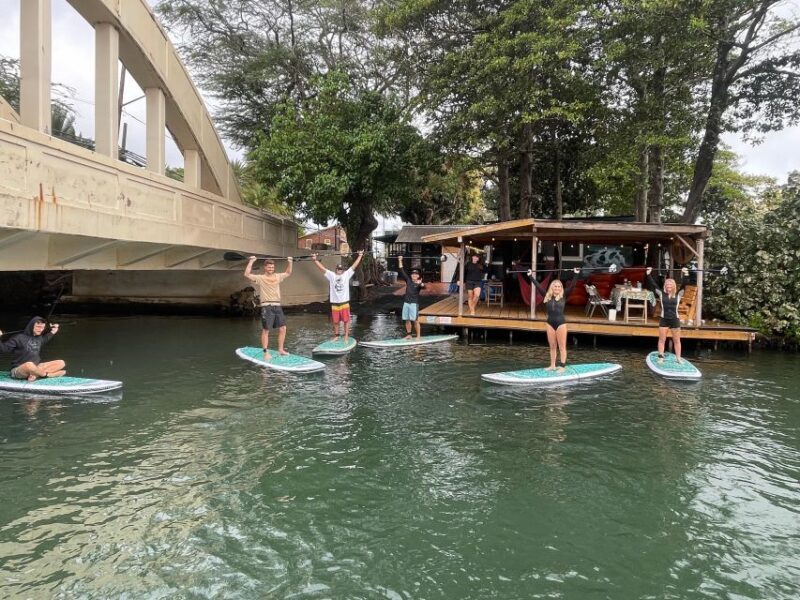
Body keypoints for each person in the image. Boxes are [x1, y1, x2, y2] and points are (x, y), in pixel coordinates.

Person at [530, 268, 581, 371]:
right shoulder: (547, 296)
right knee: (552, 346)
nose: (557, 288)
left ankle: (562, 366)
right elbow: (538, 286)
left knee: (562, 346)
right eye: (555, 286)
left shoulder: (564, 295)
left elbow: (572, 286)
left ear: (561, 288)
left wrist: (576, 274)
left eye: (559, 286)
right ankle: (552, 365)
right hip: (549, 323)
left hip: (561, 323)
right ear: (552, 287)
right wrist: (530, 275)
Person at [245, 255, 293, 358]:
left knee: (283, 328)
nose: (271, 269)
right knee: (266, 330)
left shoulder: (278, 276)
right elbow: (247, 274)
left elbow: (288, 272)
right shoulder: (260, 278)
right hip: (267, 306)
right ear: (265, 268)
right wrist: (251, 261)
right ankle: (265, 352)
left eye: (272, 267)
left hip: (277, 305)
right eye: (269, 267)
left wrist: (290, 262)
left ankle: (280, 350)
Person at [311, 250, 364, 342]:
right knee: (335, 321)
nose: (339, 270)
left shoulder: (346, 275)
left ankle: (346, 336)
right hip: (335, 303)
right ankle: (336, 335)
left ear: (343, 270)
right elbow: (322, 269)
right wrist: (315, 260)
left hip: (344, 303)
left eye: (341, 269)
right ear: (336, 270)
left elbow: (354, 265)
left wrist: (360, 255)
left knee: (346, 320)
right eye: (338, 269)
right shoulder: (331, 275)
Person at [0, 316, 65, 381]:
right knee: (29, 364)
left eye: (42, 327)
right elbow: (4, 349)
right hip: (19, 370)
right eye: (38, 327)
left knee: (61, 363)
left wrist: (54, 327)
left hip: (36, 367)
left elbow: (51, 333)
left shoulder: (40, 338)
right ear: (31, 326)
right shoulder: (18, 337)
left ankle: (34, 375)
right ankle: (47, 375)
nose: (41, 329)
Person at [647, 266, 690, 363]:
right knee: (662, 340)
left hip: (675, 320)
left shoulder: (679, 294)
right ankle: (661, 357)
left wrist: (686, 273)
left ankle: (678, 358)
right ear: (665, 286)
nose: (669, 286)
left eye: (670, 285)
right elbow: (653, 285)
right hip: (664, 319)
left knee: (677, 341)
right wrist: (648, 274)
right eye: (667, 285)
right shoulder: (661, 293)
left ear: (674, 286)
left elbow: (684, 285)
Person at [397, 256, 426, 339]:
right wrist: (400, 260)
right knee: (407, 320)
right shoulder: (408, 280)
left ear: (418, 276)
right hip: (406, 303)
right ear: (411, 275)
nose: (414, 275)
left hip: (414, 304)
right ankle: (409, 334)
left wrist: (421, 283)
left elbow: (424, 286)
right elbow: (401, 269)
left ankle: (418, 336)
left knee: (415, 320)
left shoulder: (419, 283)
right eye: (413, 274)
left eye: (416, 274)